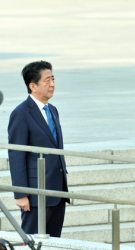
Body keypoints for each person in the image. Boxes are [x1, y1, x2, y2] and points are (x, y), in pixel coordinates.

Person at [8, 61, 69, 237]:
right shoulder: (21, 113)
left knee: (54, 242)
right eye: (47, 80)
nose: (52, 84)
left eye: (53, 79)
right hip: (35, 194)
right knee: (32, 241)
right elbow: (16, 154)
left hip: (57, 191)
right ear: (33, 86)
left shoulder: (53, 110)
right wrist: (21, 194)